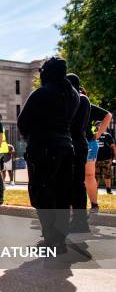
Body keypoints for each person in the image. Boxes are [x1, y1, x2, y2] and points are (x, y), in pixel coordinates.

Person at [18, 57, 80, 254]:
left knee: (42, 193)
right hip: (66, 147)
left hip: (44, 148)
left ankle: (50, 239)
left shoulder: (41, 94)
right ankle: (58, 241)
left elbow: (22, 122)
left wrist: (33, 136)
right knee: (62, 194)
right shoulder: (73, 95)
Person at [66, 73, 91, 232]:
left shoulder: (77, 99)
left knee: (74, 184)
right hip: (80, 144)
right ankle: (79, 221)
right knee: (77, 184)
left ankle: (79, 221)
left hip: (74, 145)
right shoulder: (83, 99)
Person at [85, 104, 112, 212]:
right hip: (84, 142)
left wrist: (98, 133)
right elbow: (108, 115)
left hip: (87, 143)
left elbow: (108, 115)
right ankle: (93, 205)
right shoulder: (84, 103)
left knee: (88, 175)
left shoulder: (85, 103)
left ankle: (94, 204)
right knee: (87, 176)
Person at [96, 129, 115, 194]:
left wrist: (113, 157)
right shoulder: (94, 135)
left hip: (106, 159)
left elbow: (113, 146)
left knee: (107, 175)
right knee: (96, 176)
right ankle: (95, 190)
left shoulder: (107, 135)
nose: (98, 127)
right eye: (97, 125)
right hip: (95, 159)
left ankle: (108, 190)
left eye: (99, 125)